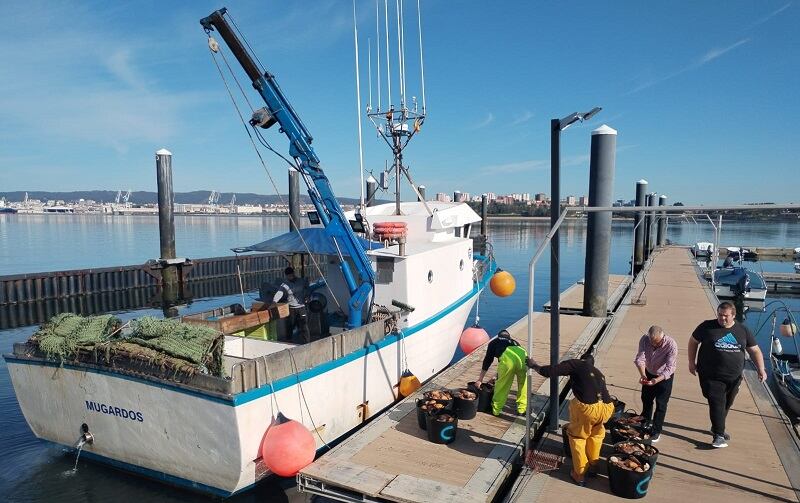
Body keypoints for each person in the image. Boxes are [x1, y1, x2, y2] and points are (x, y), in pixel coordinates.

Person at [688, 301, 767, 448]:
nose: (722, 318)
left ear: (734, 315)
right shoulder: (706, 326)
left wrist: (761, 369)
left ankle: (717, 426)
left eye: (726, 316)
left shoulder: (742, 330)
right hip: (710, 375)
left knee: (727, 403)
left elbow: (755, 350)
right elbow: (693, 342)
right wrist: (691, 362)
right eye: (719, 315)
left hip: (734, 377)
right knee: (717, 402)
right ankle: (718, 435)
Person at [528, 353, 614, 486]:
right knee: (596, 435)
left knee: (578, 438)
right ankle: (594, 465)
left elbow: (550, 371)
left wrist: (534, 365)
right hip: (607, 408)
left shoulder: (576, 364)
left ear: (582, 360)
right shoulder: (598, 372)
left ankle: (579, 474)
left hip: (588, 409)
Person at [634, 325, 677, 443]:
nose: (653, 345)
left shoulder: (671, 344)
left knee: (661, 404)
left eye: (656, 343)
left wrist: (657, 380)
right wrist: (643, 375)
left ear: (662, 337)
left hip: (664, 376)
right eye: (651, 342)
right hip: (649, 372)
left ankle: (656, 430)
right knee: (646, 399)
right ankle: (646, 422)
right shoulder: (644, 339)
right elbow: (640, 358)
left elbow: (670, 367)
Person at [474, 329, 527, 417]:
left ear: (498, 337)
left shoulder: (494, 343)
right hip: (523, 356)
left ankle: (496, 410)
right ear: (509, 337)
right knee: (523, 384)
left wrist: (480, 379)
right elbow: (509, 361)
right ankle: (522, 409)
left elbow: (488, 361)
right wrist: (496, 376)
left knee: (502, 384)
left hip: (508, 357)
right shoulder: (515, 342)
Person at [272, 266, 311, 343]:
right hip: (291, 308)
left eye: (291, 275)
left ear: (294, 273)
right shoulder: (284, 285)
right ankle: (289, 341)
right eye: (288, 276)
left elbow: (307, 289)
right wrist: (274, 302)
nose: (290, 277)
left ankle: (307, 342)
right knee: (290, 326)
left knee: (304, 326)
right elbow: (279, 293)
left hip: (301, 307)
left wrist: (307, 296)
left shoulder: (301, 281)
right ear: (286, 276)